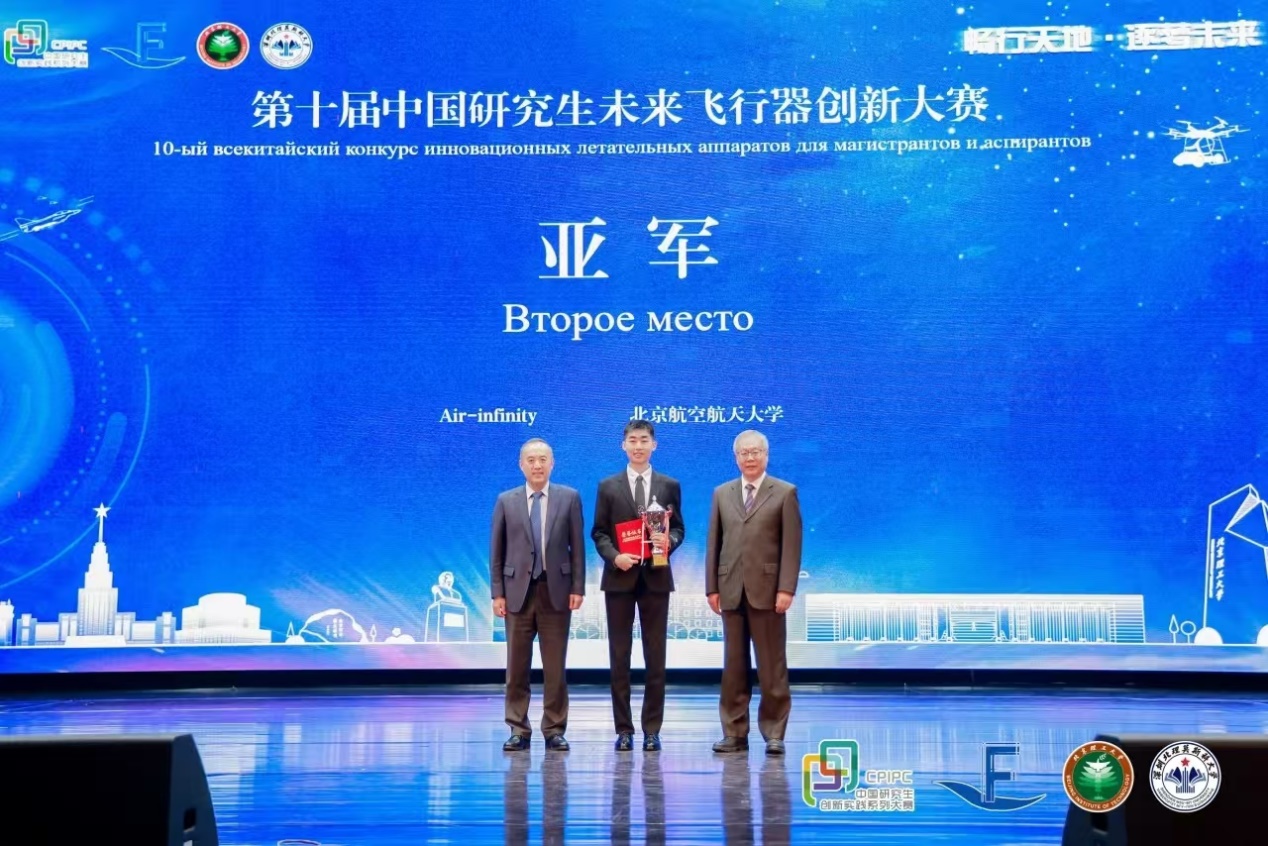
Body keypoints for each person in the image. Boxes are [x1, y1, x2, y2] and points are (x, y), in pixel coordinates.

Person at [705, 430, 801, 755]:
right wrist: (711, 587)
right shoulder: (722, 493)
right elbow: (714, 543)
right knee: (733, 667)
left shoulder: (785, 493)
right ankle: (734, 733)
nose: (749, 458)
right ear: (736, 458)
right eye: (743, 453)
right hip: (730, 590)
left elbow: (792, 546)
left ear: (766, 455)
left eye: (755, 452)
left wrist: (786, 587)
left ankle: (774, 733)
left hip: (769, 591)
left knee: (772, 666)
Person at [591, 419, 685, 752]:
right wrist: (614, 557)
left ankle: (652, 730)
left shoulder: (669, 485)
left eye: (644, 440)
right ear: (624, 445)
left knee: (655, 657)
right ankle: (624, 729)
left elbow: (679, 529)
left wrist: (668, 542)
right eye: (632, 440)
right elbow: (599, 532)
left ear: (654, 445)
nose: (638, 446)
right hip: (619, 579)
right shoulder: (608, 486)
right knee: (620, 656)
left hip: (656, 578)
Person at [490, 438, 585, 751]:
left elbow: (577, 548)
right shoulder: (506, 500)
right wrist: (497, 593)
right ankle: (518, 728)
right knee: (516, 666)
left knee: (555, 667)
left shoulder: (569, 498)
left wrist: (578, 587)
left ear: (552, 463)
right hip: (516, 593)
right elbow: (497, 550)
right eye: (531, 460)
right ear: (521, 465)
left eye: (543, 459)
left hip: (556, 592)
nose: (537, 465)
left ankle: (554, 729)